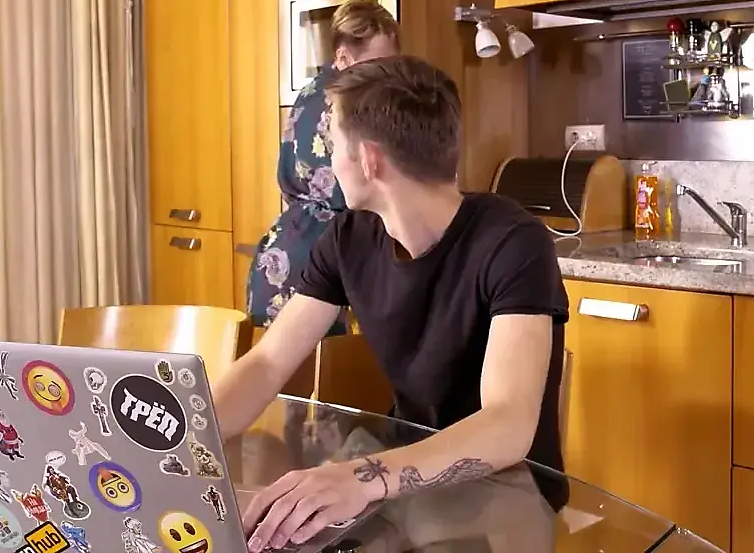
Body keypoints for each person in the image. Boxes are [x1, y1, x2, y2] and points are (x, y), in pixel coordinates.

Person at [214, 56, 569, 553]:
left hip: (504, 496)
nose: (329, 162)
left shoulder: (513, 242)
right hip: (402, 482)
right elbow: (268, 362)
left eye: (334, 145)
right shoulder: (349, 237)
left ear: (369, 159)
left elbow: (507, 424)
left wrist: (361, 478)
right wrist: (182, 440)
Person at [246, 0, 400, 332]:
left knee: (281, 363)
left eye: (391, 64)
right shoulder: (350, 102)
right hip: (321, 269)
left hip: (282, 252)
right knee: (326, 364)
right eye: (377, 65)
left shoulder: (309, 92)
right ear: (343, 57)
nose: (386, 76)